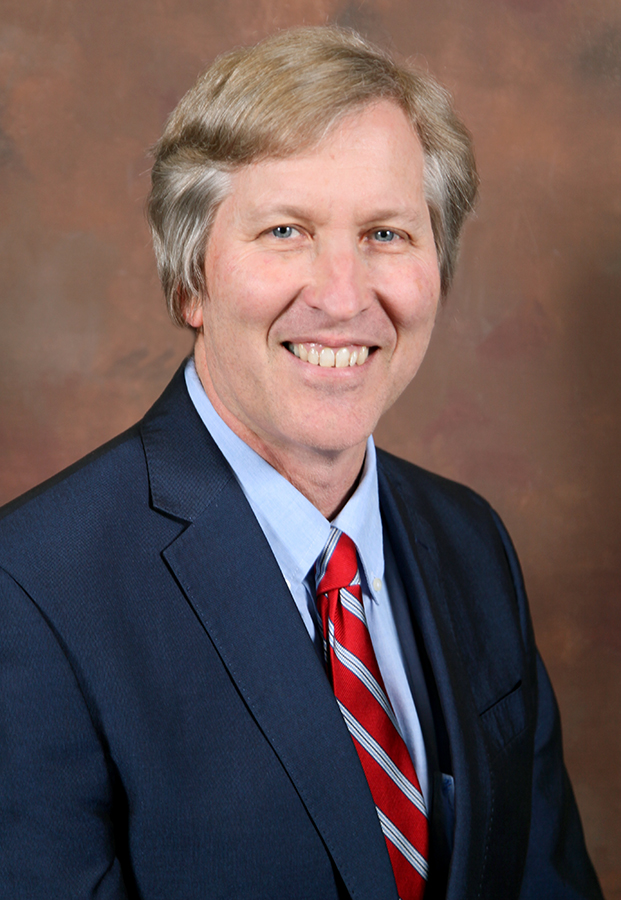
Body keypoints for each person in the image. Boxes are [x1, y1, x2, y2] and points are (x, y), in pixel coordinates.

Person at [0, 26, 602, 900]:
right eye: (285, 230)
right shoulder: (32, 588)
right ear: (190, 283)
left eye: (386, 234)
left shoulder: (472, 542)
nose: (343, 294)